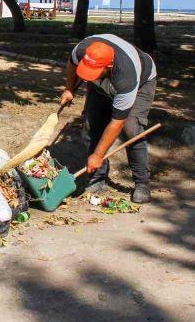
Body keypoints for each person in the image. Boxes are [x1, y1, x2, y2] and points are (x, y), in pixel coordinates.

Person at [59, 33, 157, 203]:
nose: (89, 75)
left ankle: (142, 183)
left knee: (131, 128)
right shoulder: (82, 50)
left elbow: (117, 121)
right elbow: (72, 63)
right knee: (94, 123)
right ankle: (97, 179)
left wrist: (98, 155)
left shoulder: (126, 75)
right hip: (101, 85)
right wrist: (69, 89)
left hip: (141, 82)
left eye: (94, 72)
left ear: (109, 65)